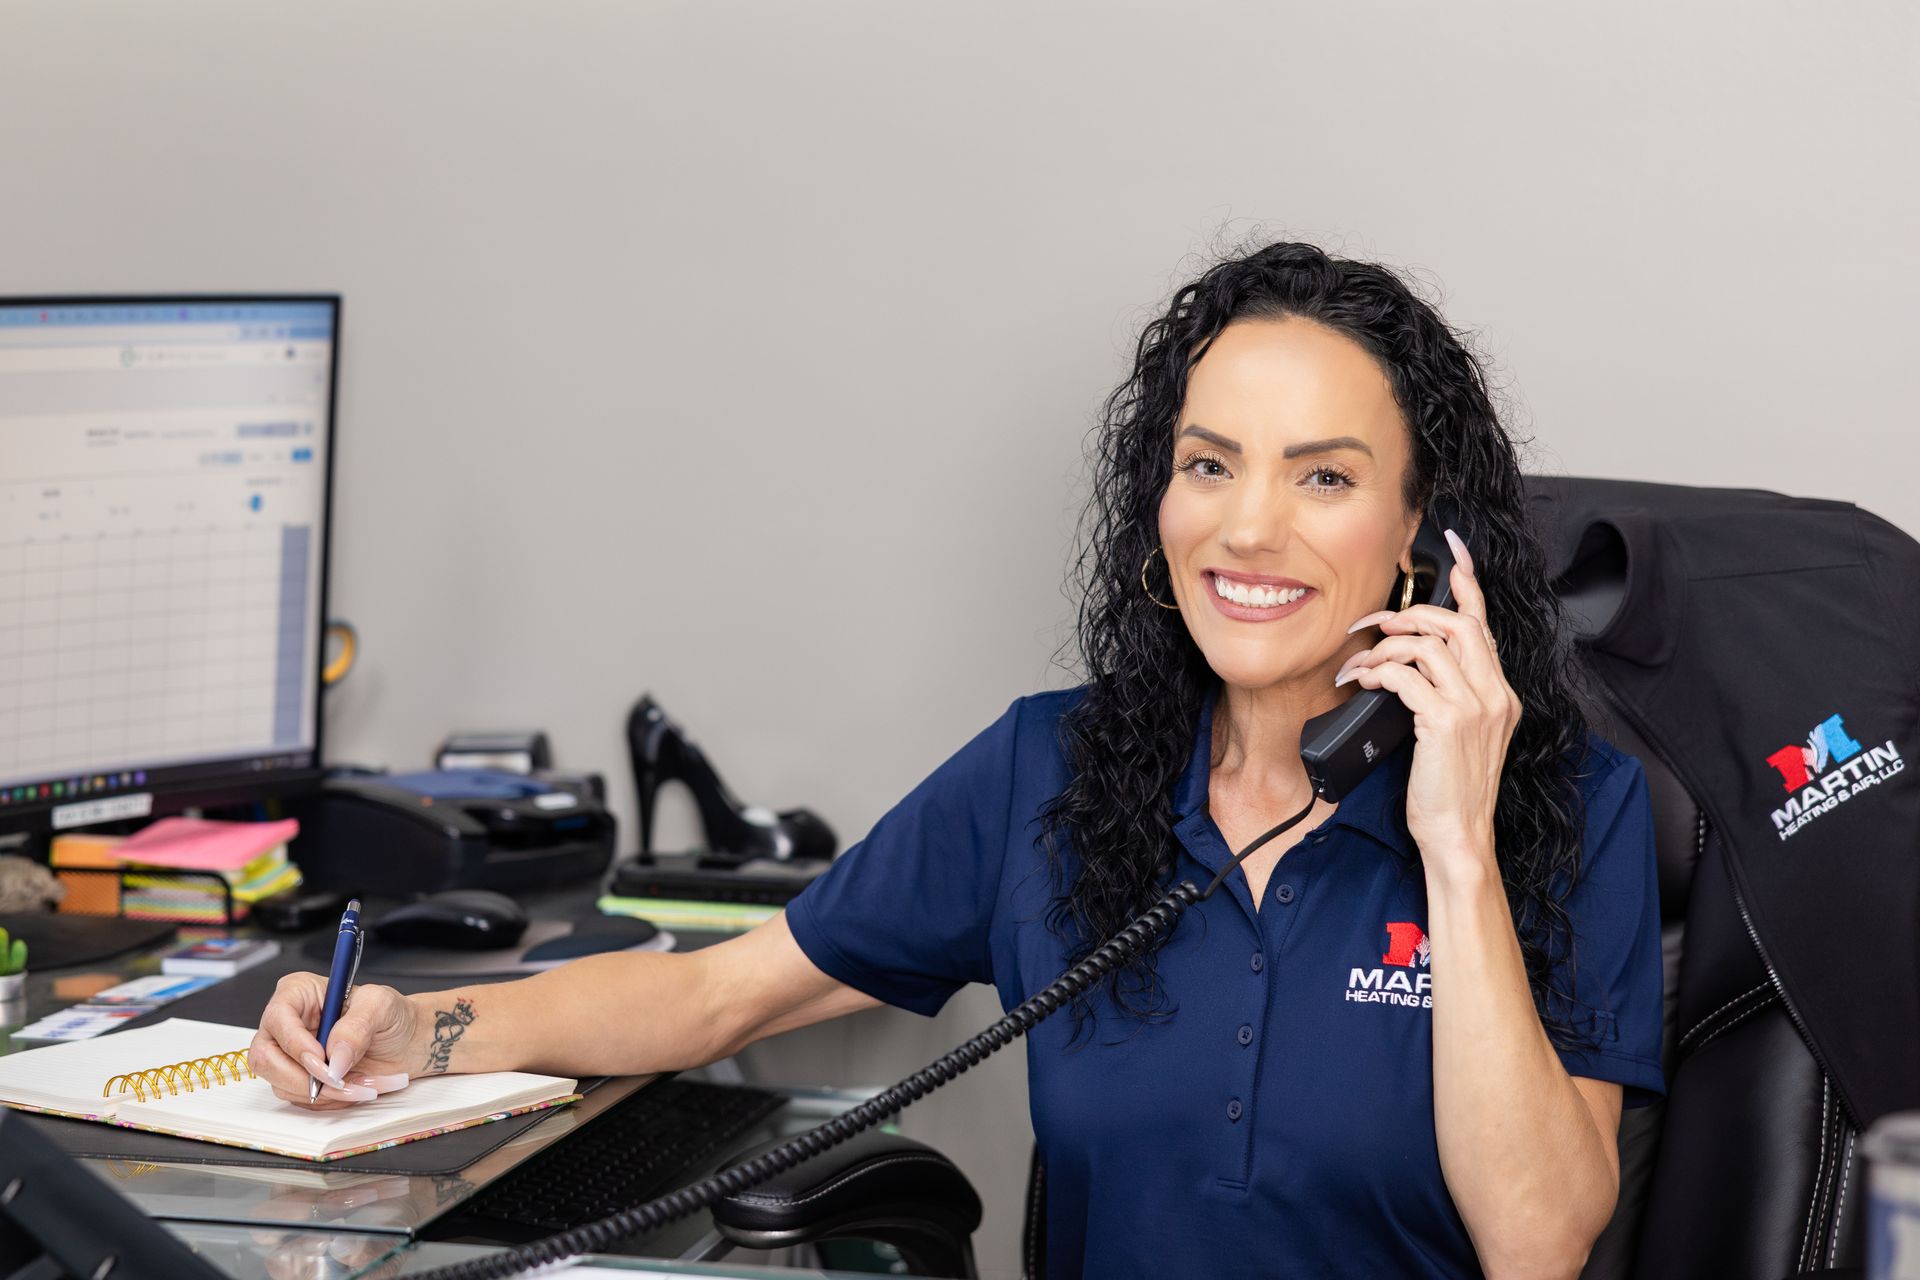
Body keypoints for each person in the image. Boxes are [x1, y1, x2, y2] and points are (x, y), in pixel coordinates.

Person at [249, 241, 1664, 1279]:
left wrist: (1458, 845)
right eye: (1209, 463)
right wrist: (414, 1027)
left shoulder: (1564, 812)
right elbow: (713, 1001)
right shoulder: (1052, 771)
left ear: (1421, 538)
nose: (1247, 531)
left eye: (1326, 477)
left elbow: (1540, 1240)